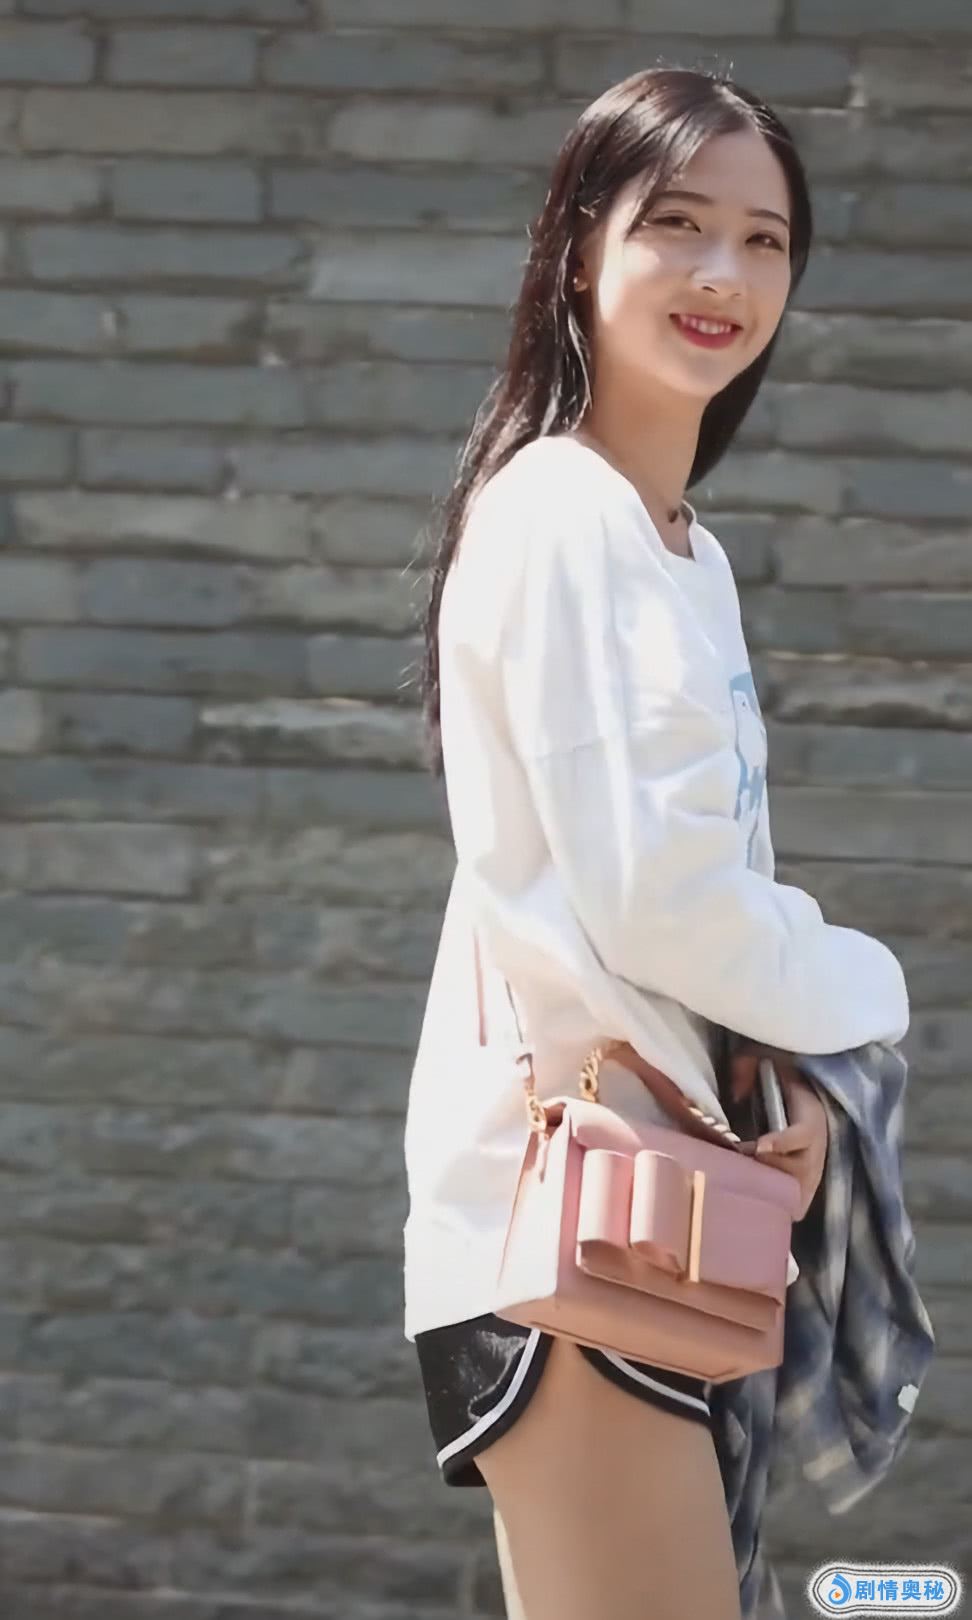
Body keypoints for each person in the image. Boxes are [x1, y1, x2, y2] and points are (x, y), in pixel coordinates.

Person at [401, 66, 910, 1620]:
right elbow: (662, 898)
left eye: (764, 241)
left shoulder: (681, 548)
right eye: (676, 224)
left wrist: (771, 1080)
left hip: (668, 1211)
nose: (721, 274)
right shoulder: (566, 513)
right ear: (578, 248)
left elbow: (658, 896)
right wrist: (868, 988)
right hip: (574, 1229)